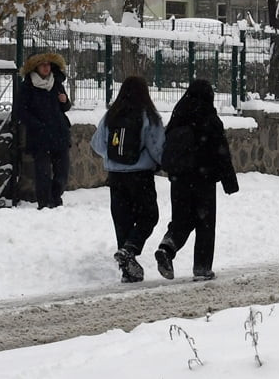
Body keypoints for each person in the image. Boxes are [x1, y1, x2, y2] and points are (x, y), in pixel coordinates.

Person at [154, 79, 239, 282]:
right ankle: (202, 267)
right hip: (204, 179)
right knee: (205, 224)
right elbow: (222, 152)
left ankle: (167, 248)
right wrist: (229, 182)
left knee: (181, 219)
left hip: (179, 179)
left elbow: (167, 145)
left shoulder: (178, 116)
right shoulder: (210, 118)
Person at [90, 76, 165, 283]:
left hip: (115, 177)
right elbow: (157, 147)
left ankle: (127, 271)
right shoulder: (148, 116)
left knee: (122, 220)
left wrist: (114, 157)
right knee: (149, 216)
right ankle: (130, 249)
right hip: (141, 176)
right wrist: (164, 163)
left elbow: (97, 144)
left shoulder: (111, 115)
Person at [14, 52, 72, 209]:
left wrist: (65, 101)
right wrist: (38, 125)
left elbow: (65, 107)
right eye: (42, 65)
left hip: (59, 134)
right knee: (43, 173)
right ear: (35, 67)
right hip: (40, 137)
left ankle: (55, 197)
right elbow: (21, 111)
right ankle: (45, 203)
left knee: (62, 173)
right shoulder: (27, 87)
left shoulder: (56, 83)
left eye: (48, 64)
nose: (46, 68)